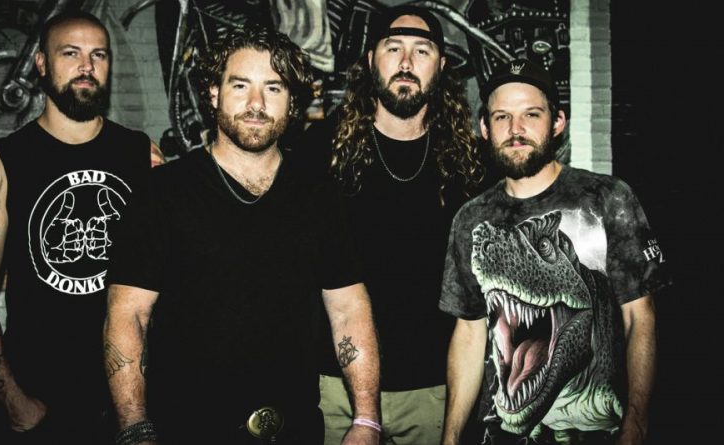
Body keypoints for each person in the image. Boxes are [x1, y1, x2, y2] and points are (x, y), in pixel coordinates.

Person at [103, 27, 381, 445]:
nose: (256, 104)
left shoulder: (319, 193)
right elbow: (128, 315)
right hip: (188, 431)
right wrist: (135, 428)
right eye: (240, 85)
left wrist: (367, 419)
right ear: (214, 93)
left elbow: (348, 309)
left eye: (273, 88)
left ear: (292, 102)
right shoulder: (162, 192)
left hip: (296, 430)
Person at [0, 10, 163, 444]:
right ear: (41, 64)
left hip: (134, 393)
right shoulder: (2, 163)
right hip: (43, 395)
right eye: (71, 53)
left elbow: (170, 268)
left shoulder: (141, 154)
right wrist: (14, 399)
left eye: (98, 55)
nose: (87, 66)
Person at [439, 59, 669, 445]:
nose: (516, 129)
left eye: (531, 114)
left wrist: (637, 421)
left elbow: (639, 317)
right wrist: (449, 437)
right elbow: (470, 332)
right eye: (501, 117)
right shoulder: (471, 218)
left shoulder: (609, 198)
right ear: (484, 128)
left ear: (557, 122)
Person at [299, 5, 485, 445]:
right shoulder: (319, 150)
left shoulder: (470, 164)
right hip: (336, 387)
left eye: (422, 51)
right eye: (393, 48)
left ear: (442, 65)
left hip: (433, 390)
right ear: (370, 61)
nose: (406, 62)